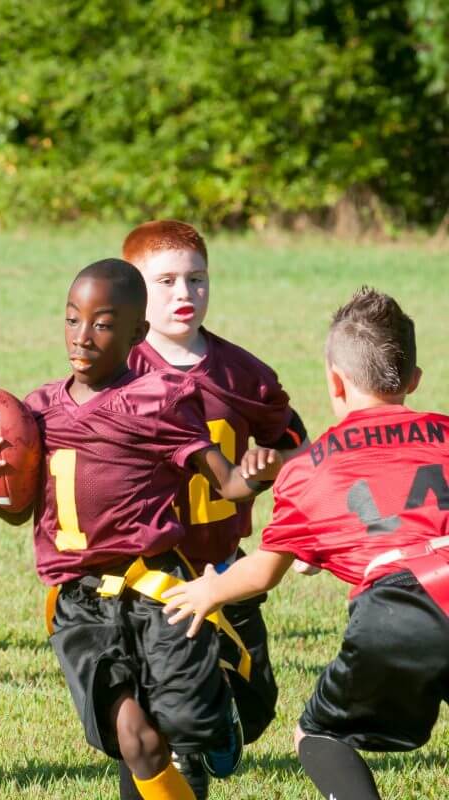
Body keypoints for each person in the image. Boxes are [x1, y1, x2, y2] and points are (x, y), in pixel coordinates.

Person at [0, 258, 280, 800]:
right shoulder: (39, 410)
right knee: (134, 738)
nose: (82, 337)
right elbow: (17, 511)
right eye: (72, 319)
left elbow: (227, 485)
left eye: (102, 324)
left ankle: (219, 704)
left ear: (137, 334)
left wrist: (256, 476)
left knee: (185, 726)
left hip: (157, 588)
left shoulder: (161, 401)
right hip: (78, 603)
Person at [162, 287, 449, 800]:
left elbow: (264, 573)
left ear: (335, 383)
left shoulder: (309, 468)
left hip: (399, 607)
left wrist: (208, 592)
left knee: (320, 734)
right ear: (414, 381)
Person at [118, 220, 309, 798]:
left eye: (196, 279)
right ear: (134, 290)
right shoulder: (119, 371)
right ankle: (184, 754)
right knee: (162, 717)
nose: (184, 294)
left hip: (226, 562)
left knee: (255, 707)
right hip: (154, 573)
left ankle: (214, 725)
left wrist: (269, 465)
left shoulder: (242, 372)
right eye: (167, 281)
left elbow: (295, 443)